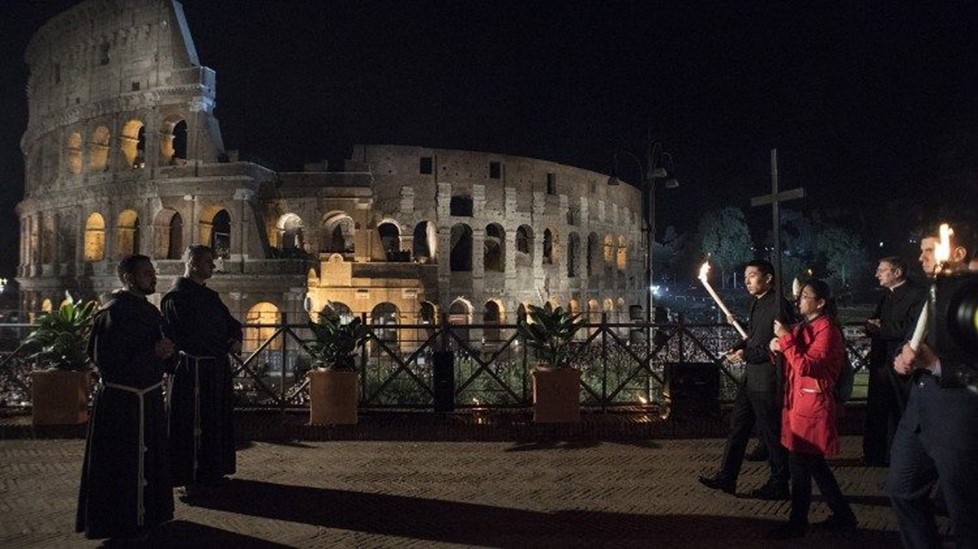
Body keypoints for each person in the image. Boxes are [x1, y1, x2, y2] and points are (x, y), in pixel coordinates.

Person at [888, 223, 978, 548]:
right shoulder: (932, 293)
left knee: (967, 518)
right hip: (918, 420)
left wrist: (936, 365)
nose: (921, 257)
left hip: (959, 426)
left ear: (957, 252)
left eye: (930, 250)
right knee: (902, 490)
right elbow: (912, 341)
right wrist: (902, 360)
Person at [77, 255, 176, 540]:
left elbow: (163, 352)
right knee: (120, 467)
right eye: (147, 273)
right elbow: (107, 362)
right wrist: (152, 353)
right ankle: (120, 522)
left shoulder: (152, 312)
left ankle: (151, 515)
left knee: (152, 462)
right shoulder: (111, 314)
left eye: (152, 272)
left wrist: (169, 353)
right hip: (121, 403)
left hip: (150, 398)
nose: (153, 277)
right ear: (129, 278)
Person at [767, 279, 857, 539]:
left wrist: (785, 340)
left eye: (806, 296)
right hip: (799, 403)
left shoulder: (828, 331)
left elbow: (808, 366)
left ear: (820, 302)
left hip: (811, 406)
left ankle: (797, 523)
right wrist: (776, 346)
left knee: (800, 468)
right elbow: (789, 356)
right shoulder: (806, 327)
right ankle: (843, 515)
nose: (800, 300)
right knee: (815, 465)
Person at [698, 259, 794, 499]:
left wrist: (746, 354)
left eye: (752, 275)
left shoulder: (779, 306)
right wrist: (739, 347)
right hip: (751, 379)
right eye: (745, 277)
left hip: (767, 380)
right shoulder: (757, 303)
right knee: (737, 428)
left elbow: (779, 345)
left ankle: (779, 483)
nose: (747, 281)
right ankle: (727, 477)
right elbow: (754, 338)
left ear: (768, 278)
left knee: (771, 435)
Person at [162, 245, 242, 496]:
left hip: (214, 369)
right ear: (193, 263)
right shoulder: (176, 298)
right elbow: (189, 336)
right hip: (192, 372)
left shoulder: (210, 296)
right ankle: (190, 478)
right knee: (191, 425)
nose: (213, 266)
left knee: (214, 421)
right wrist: (223, 344)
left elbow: (231, 323)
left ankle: (212, 472)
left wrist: (235, 337)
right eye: (208, 261)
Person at [863, 256, 925, 466]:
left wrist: (882, 328)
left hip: (900, 362)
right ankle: (878, 455)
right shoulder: (887, 295)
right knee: (880, 409)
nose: (877, 274)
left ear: (897, 272)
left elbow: (913, 328)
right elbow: (878, 319)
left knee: (899, 409)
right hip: (882, 360)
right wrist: (870, 326)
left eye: (882, 270)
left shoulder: (917, 295)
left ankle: (900, 457)